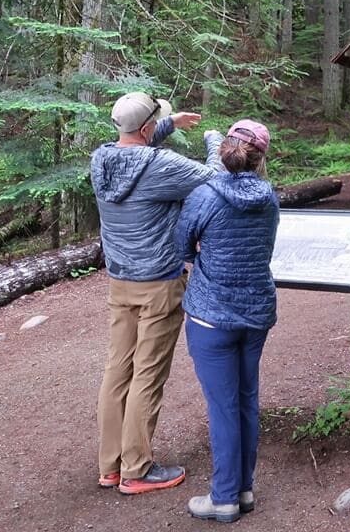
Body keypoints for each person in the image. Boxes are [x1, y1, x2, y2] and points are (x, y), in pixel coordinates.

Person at [90, 92, 224, 495]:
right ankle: (136, 469)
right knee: (148, 374)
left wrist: (170, 123)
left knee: (118, 372)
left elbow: (135, 145)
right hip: (159, 284)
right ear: (147, 128)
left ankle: (110, 466)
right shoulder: (161, 164)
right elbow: (214, 177)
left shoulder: (100, 160)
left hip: (120, 283)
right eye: (156, 123)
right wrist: (214, 141)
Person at [175, 120, 280, 523]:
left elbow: (182, 245)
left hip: (210, 317)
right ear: (260, 157)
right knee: (246, 399)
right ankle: (244, 489)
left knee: (223, 406)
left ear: (225, 152)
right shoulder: (269, 196)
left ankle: (223, 498)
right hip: (256, 313)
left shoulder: (203, 195)